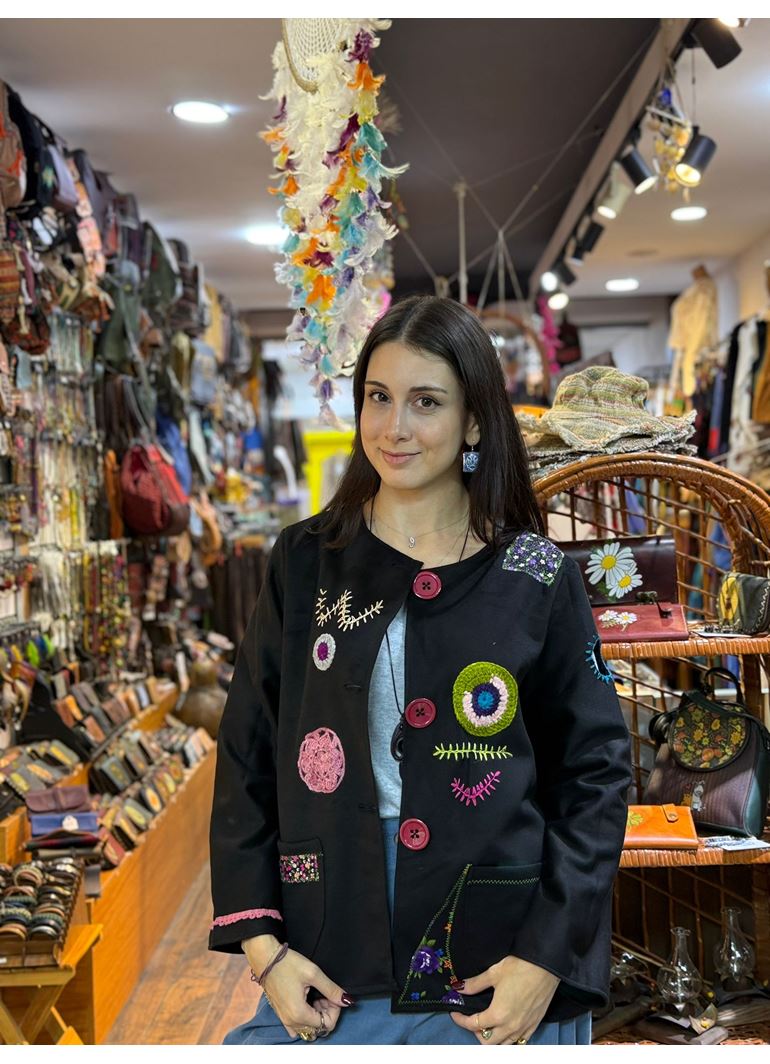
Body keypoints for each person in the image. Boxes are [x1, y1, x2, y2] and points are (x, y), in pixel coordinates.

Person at [209, 295, 632, 1046]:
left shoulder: (534, 574)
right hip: (332, 947)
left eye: (426, 402)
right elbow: (247, 752)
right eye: (378, 397)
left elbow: (595, 773)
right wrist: (263, 948)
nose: (393, 426)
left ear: (474, 422)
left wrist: (547, 956)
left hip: (496, 963)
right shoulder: (304, 563)